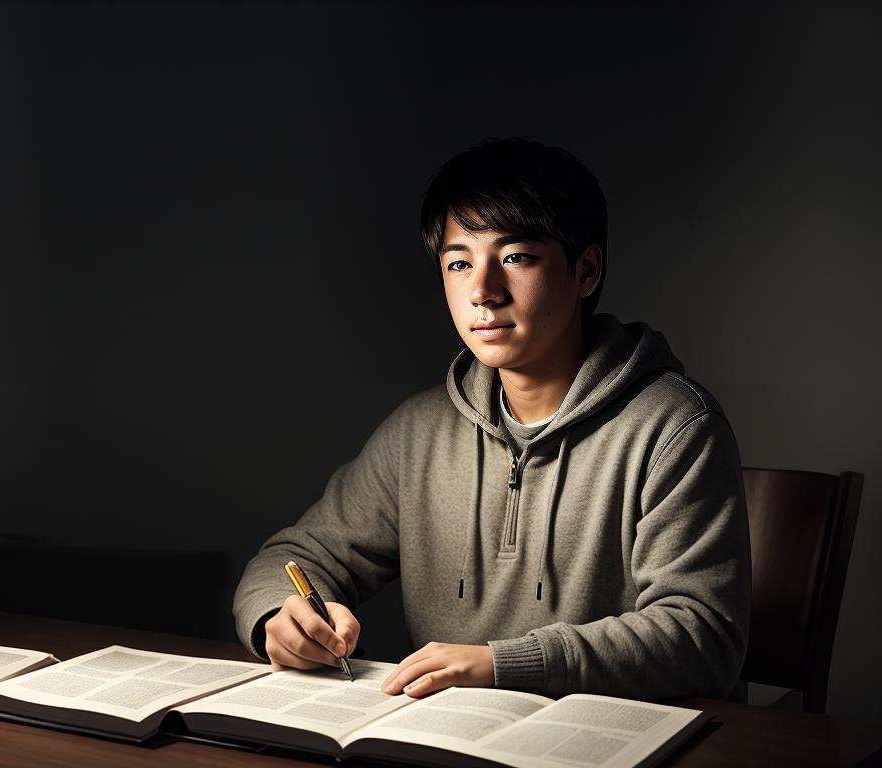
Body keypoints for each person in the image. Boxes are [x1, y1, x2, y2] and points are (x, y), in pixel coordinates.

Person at [232, 137, 752, 701]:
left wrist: (506, 663)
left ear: (587, 270)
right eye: (459, 263)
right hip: (441, 738)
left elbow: (702, 638)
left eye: (516, 257)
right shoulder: (419, 431)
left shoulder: (674, 427)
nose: (483, 291)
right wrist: (277, 621)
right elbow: (293, 559)